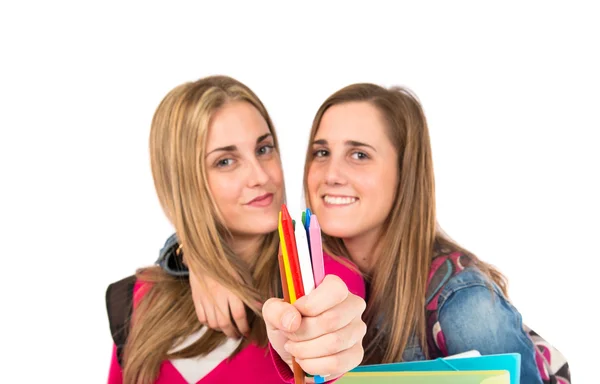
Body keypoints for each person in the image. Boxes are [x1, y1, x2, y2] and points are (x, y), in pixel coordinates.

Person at [193, 82, 570, 384]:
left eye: (359, 155)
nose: (331, 174)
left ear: (405, 173)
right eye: (321, 152)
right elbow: (234, 235)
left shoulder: (466, 305)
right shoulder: (307, 260)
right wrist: (196, 259)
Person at [105, 75, 367, 384]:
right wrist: (202, 260)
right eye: (226, 161)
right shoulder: (138, 298)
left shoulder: (323, 279)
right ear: (183, 182)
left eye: (264, 149)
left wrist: (320, 360)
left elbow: (332, 358)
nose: (259, 176)